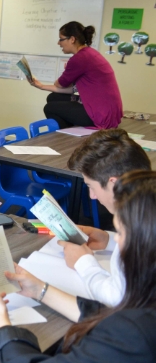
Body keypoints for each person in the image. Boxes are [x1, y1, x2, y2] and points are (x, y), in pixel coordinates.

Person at [0, 169, 156, 363]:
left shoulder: (133, 337)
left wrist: (1, 323)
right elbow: (108, 316)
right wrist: (40, 290)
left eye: (120, 233)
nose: (116, 242)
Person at [61, 128, 151, 307]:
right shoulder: (146, 211)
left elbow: (117, 297)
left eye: (91, 186)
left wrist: (82, 262)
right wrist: (108, 240)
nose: (92, 196)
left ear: (114, 184)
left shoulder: (132, 229)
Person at [30, 21, 123, 129]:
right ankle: (72, 130)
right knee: (53, 97)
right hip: (109, 112)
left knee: (49, 108)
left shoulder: (79, 58)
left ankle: (67, 135)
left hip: (102, 115)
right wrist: (41, 86)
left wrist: (67, 72)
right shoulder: (90, 53)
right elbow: (73, 89)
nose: (59, 43)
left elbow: (60, 84)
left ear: (72, 39)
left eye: (61, 39)